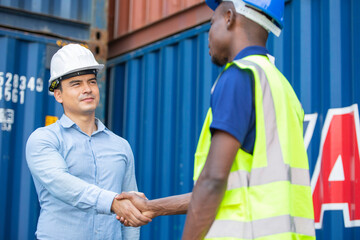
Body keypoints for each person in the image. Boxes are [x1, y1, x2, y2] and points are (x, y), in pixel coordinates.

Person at [117, 0, 316, 239]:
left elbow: (213, 180)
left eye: (211, 23)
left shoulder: (239, 76)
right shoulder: (282, 88)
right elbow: (232, 189)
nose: (208, 35)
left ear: (229, 17)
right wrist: (151, 207)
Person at [25, 44, 151, 240]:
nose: (87, 89)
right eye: (76, 84)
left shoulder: (121, 146)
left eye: (91, 82)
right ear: (58, 95)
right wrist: (112, 202)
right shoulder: (44, 139)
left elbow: (131, 212)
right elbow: (62, 184)